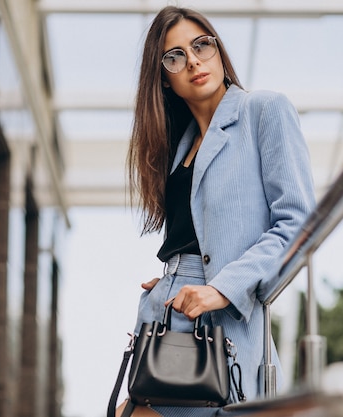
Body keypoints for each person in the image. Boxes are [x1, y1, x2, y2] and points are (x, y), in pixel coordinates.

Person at [119, 5, 316, 417]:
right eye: (174, 57)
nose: (192, 61)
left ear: (218, 51)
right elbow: (198, 237)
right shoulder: (178, 147)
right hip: (166, 320)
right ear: (165, 81)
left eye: (201, 45)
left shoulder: (265, 111)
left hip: (223, 326)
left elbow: (298, 225)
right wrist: (175, 273)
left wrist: (220, 286)